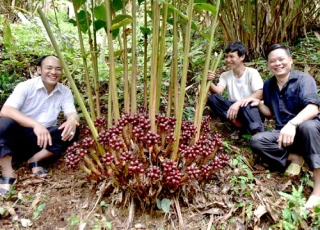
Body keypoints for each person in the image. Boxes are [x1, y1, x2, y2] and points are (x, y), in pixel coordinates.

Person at [249, 44, 320, 209]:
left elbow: (313, 108)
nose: (277, 63)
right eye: (272, 61)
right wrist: (259, 103)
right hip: (284, 134)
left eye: (281, 59)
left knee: (307, 126)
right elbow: (270, 114)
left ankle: (317, 190)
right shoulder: (269, 85)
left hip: (308, 131)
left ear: (290, 60)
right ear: (268, 65)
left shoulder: (304, 79)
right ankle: (295, 158)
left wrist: (292, 123)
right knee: (257, 141)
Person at [0, 55, 79, 196]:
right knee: (3, 124)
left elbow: (71, 113)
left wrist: (72, 120)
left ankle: (35, 160)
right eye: (49, 68)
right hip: (19, 138)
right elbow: (6, 110)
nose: (53, 72)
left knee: (73, 129)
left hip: (44, 141)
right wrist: (35, 125)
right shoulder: (25, 87)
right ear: (39, 70)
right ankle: (8, 172)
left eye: (58, 69)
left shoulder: (65, 92)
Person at [207, 41, 264, 139]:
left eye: (231, 56)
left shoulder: (252, 73)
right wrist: (208, 81)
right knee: (213, 98)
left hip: (251, 111)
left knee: (247, 104)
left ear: (242, 57)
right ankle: (238, 126)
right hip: (234, 110)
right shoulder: (225, 75)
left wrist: (240, 103)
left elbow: (260, 93)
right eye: (226, 57)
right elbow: (218, 91)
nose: (228, 60)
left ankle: (259, 136)